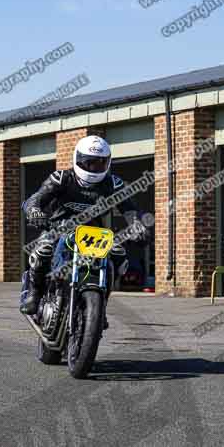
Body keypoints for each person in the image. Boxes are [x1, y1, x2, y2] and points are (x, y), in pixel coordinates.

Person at [20, 135, 149, 317]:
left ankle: (100, 306)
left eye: (99, 163)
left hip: (93, 234)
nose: (94, 167)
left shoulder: (113, 183)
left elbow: (130, 209)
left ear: (108, 162)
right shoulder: (61, 178)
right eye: (89, 163)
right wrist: (34, 211)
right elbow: (35, 199)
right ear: (78, 159)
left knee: (119, 257)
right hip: (56, 228)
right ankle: (34, 294)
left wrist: (137, 225)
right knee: (42, 251)